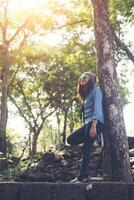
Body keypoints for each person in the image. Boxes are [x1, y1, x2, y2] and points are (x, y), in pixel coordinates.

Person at [67, 71, 104, 182]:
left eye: (84, 77)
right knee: (70, 139)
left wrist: (94, 127)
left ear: (91, 80)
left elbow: (98, 109)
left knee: (86, 149)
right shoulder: (86, 95)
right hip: (88, 124)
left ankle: (81, 177)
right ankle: (94, 140)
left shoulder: (96, 91)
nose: (81, 78)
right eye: (80, 77)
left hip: (96, 122)